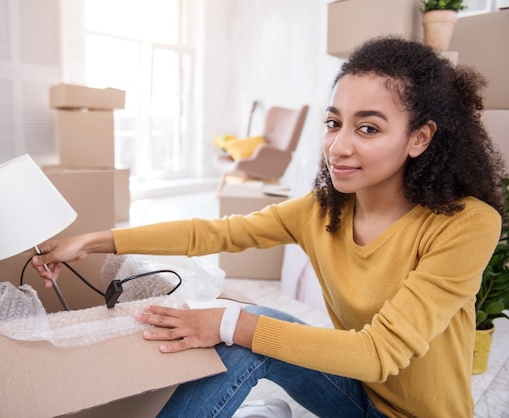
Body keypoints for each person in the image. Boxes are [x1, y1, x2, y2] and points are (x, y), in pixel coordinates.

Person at [33, 36, 506, 417]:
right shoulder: (323, 210)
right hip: (352, 395)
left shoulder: (466, 225)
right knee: (246, 330)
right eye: (333, 122)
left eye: (368, 128)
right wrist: (95, 241)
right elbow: (212, 233)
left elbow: (379, 353)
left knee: (238, 325)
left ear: (419, 138)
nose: (338, 147)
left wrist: (227, 322)